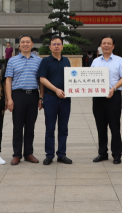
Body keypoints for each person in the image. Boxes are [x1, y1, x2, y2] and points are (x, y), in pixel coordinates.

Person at [5, 34, 42, 165]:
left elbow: (41, 80)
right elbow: (8, 80)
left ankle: (28, 153)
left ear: (32, 44)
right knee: (17, 126)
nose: (25, 44)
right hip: (18, 95)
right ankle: (17, 154)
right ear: (19, 45)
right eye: (23, 42)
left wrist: (40, 97)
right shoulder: (12, 60)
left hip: (33, 95)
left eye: (28, 42)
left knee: (30, 126)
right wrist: (9, 99)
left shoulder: (38, 60)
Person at [91, 35, 122, 164]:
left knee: (114, 126)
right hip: (98, 98)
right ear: (100, 46)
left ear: (113, 46)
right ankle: (102, 153)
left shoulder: (119, 60)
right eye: (104, 43)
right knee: (100, 127)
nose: (106, 45)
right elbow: (90, 78)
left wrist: (113, 88)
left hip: (114, 96)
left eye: (109, 43)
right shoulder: (95, 61)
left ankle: (117, 154)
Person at [38, 35, 73, 165]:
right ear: (50, 47)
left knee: (63, 128)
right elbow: (42, 79)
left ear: (62, 46)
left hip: (65, 99)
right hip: (50, 98)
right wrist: (55, 90)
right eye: (54, 44)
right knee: (50, 128)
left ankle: (62, 155)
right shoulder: (46, 61)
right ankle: (49, 155)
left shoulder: (66, 60)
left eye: (59, 44)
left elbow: (71, 78)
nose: (56, 46)